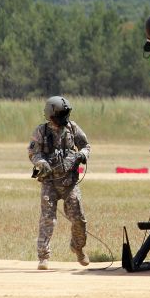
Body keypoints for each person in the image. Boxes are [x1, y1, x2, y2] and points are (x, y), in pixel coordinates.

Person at [28, 96, 91, 270]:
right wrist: (42, 164)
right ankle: (43, 257)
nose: (64, 117)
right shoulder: (42, 131)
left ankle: (78, 248)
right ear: (51, 115)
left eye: (66, 113)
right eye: (61, 114)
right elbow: (34, 153)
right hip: (50, 183)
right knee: (48, 220)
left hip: (70, 182)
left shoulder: (72, 128)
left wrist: (82, 155)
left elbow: (86, 145)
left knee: (79, 219)